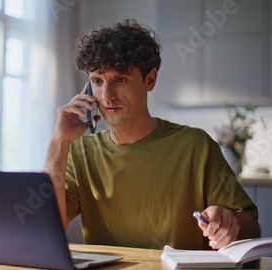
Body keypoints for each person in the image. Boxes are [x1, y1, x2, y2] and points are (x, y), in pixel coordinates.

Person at [43, 19, 260, 250]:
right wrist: (59, 142)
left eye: (121, 80)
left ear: (151, 79)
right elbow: (47, 228)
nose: (107, 95)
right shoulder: (79, 151)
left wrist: (232, 223)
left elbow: (252, 228)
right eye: (97, 81)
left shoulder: (195, 145)